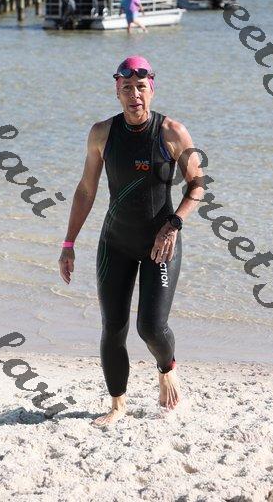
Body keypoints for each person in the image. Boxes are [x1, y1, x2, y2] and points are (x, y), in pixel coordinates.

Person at [59, 56, 204, 426]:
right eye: (127, 88)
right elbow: (86, 190)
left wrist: (173, 224)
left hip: (161, 244)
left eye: (141, 87)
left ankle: (167, 368)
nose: (134, 94)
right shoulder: (101, 134)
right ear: (117, 91)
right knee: (114, 327)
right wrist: (68, 244)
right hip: (116, 242)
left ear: (151, 89)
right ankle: (117, 405)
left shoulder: (172, 132)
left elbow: (197, 185)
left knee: (151, 327)